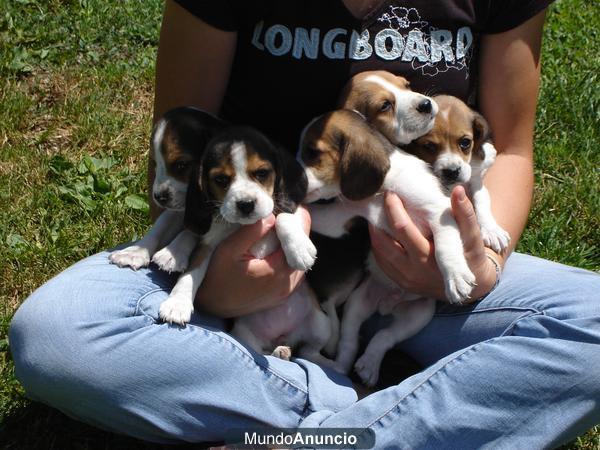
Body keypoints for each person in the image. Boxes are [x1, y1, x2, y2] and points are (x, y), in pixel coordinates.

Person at [9, 0, 600, 447]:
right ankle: (362, 414)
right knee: (54, 332)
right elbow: (181, 153)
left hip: (430, 280)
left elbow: (511, 150)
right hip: (252, 270)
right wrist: (213, 281)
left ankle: (298, 422)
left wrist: (483, 263)